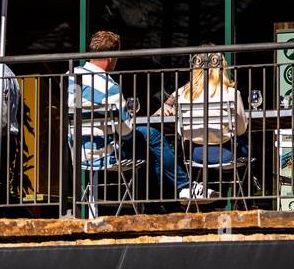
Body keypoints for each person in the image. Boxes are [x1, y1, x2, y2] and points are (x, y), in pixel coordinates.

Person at [68, 31, 208, 202]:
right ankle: (182, 188)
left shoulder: (72, 77)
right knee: (153, 137)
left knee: (148, 145)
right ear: (111, 57)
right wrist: (126, 118)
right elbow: (126, 132)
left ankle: (164, 199)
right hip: (106, 153)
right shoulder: (110, 87)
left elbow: (75, 107)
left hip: (79, 152)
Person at [165, 52, 249, 169]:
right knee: (246, 141)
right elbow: (241, 129)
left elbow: (180, 131)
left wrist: (166, 105)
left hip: (196, 154)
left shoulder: (182, 93)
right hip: (226, 153)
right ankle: (246, 179)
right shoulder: (231, 93)